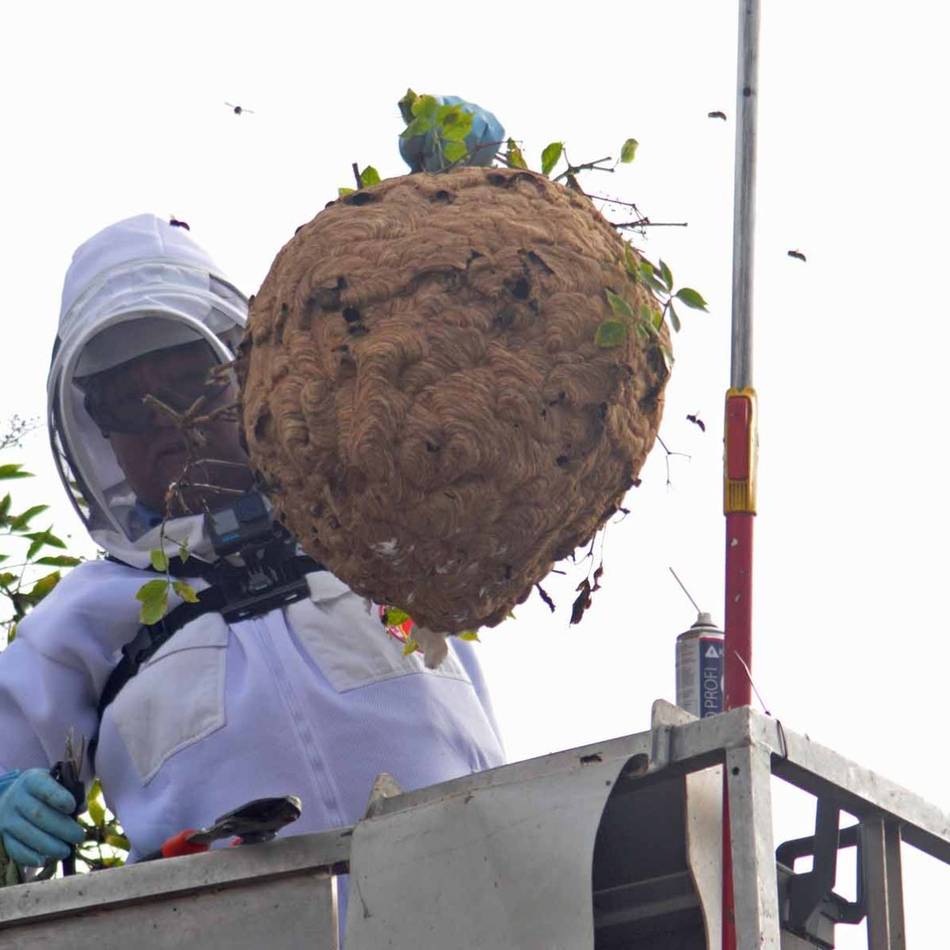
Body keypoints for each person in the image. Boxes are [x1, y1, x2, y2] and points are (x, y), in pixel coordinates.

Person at [0, 97, 506, 879]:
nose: (167, 421)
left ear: (244, 371)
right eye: (127, 404)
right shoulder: (84, 617)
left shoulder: (370, 513)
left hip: (477, 895)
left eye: (191, 381)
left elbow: (487, 402)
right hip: (228, 926)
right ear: (95, 430)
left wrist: (463, 205)